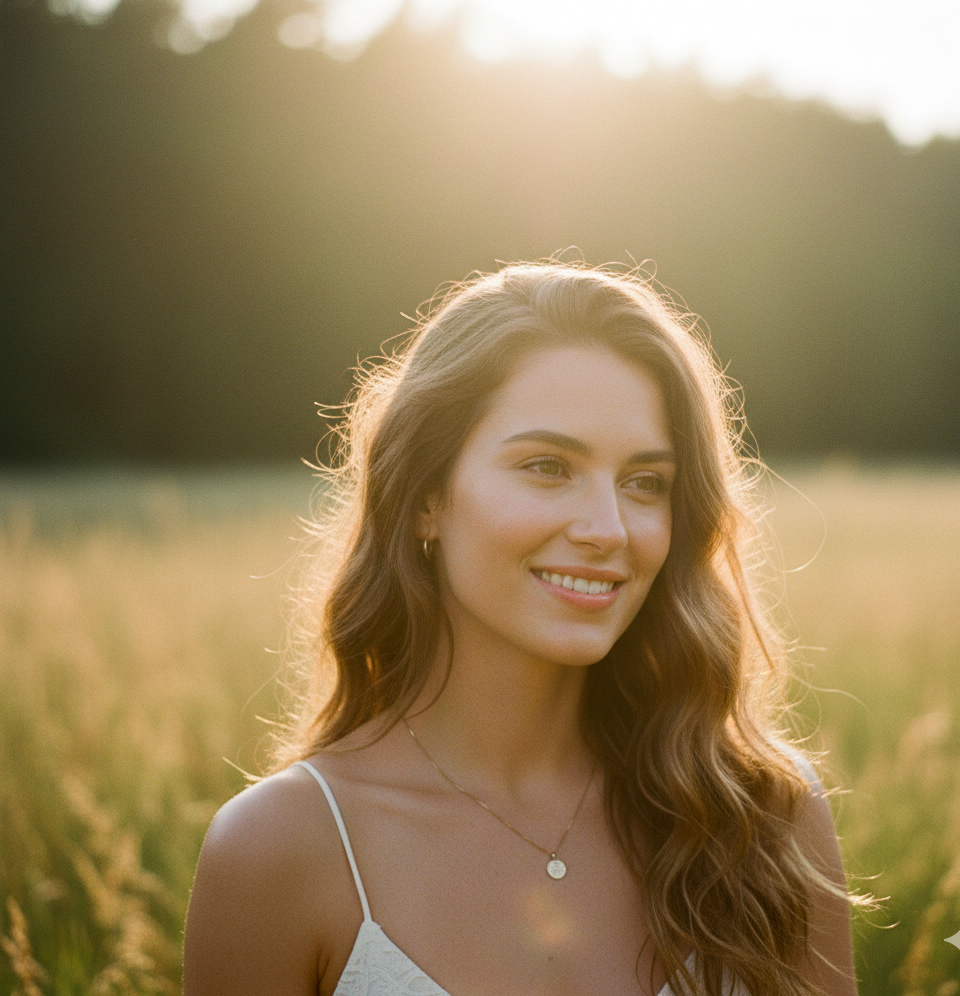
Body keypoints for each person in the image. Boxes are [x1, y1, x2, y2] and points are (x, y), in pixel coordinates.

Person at [183, 261, 862, 996]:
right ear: (425, 500)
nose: (609, 530)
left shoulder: (761, 815)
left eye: (645, 483)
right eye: (547, 467)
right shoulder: (282, 850)